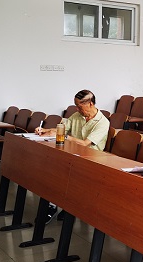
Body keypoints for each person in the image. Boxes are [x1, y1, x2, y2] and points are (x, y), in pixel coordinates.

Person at [35, 89, 109, 223]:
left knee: (62, 171)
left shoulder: (102, 122)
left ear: (91, 104)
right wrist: (46, 130)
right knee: (51, 167)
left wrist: (64, 136)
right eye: (76, 106)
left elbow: (85, 144)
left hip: (91, 158)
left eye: (80, 106)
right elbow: (61, 129)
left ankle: (67, 206)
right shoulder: (77, 115)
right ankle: (53, 205)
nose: (77, 109)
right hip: (72, 153)